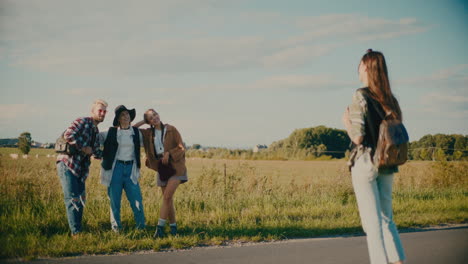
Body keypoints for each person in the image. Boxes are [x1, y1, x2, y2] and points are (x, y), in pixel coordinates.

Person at [342, 49, 405, 264]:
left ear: (366, 67)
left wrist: (347, 123)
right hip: (388, 164)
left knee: (372, 224)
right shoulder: (391, 100)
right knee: (388, 220)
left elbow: (358, 138)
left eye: (360, 64)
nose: (358, 68)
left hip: (366, 162)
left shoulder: (360, 95)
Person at [56, 99, 108, 237]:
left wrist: (114, 155)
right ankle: (76, 233)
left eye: (104, 111)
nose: (102, 113)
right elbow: (68, 135)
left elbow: (96, 152)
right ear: (93, 111)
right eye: (100, 110)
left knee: (80, 199)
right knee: (72, 198)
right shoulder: (82, 121)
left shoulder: (95, 131)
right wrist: (83, 148)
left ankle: (78, 230)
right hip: (68, 164)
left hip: (80, 169)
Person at [134, 109, 187, 238]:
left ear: (159, 115)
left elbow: (181, 147)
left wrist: (169, 153)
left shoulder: (171, 129)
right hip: (162, 168)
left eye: (155, 115)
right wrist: (144, 121)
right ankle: (173, 228)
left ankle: (160, 229)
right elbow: (131, 129)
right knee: (168, 200)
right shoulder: (147, 133)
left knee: (167, 197)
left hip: (176, 166)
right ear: (149, 121)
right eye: (151, 118)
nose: (155, 118)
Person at [99, 105, 146, 232]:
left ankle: (141, 228)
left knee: (137, 200)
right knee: (115, 201)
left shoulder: (136, 133)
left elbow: (149, 141)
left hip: (131, 168)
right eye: (122, 115)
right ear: (118, 119)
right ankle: (116, 229)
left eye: (127, 114)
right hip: (115, 169)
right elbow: (94, 139)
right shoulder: (110, 132)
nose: (126, 117)